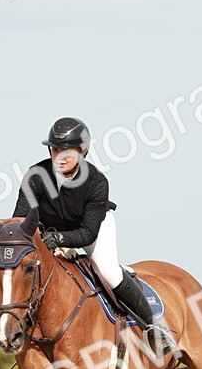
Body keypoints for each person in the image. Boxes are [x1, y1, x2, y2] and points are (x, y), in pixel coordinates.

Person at [12, 117, 176, 355]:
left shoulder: (96, 181)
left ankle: (154, 327)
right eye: (55, 150)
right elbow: (21, 219)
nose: (60, 157)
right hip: (50, 231)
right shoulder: (35, 176)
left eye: (67, 151)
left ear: (83, 151)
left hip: (92, 228)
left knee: (108, 271)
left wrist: (60, 240)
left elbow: (88, 234)